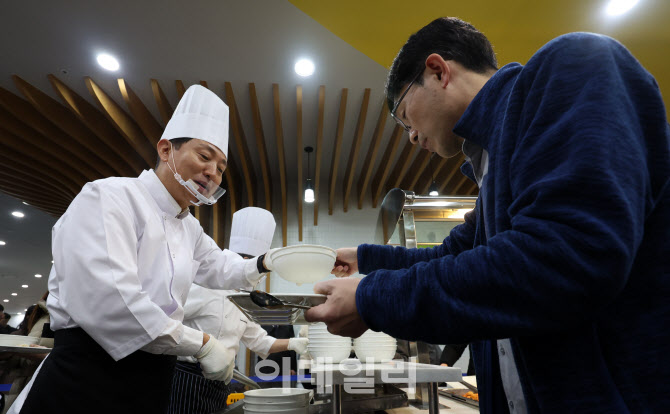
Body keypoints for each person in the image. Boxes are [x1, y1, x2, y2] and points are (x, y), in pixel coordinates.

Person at [305, 17, 670, 413]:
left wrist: (370, 298)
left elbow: (564, 258)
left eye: (404, 116)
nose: (410, 135)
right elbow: (448, 259)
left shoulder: (574, 64)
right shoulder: (493, 168)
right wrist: (364, 259)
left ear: (438, 70)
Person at [9, 85, 279, 414]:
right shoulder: (109, 197)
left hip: (153, 380)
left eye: (221, 168)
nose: (212, 172)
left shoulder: (189, 226)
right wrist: (202, 344)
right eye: (204, 157)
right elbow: (112, 301)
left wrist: (269, 260)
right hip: (90, 376)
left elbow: (221, 268)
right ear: (166, 150)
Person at [168, 207, 308, 414]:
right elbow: (167, 321)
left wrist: (294, 343)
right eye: (257, 271)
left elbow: (260, 341)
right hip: (188, 376)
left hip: (221, 380)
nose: (258, 278)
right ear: (242, 263)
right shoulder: (203, 286)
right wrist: (204, 346)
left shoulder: (244, 298)